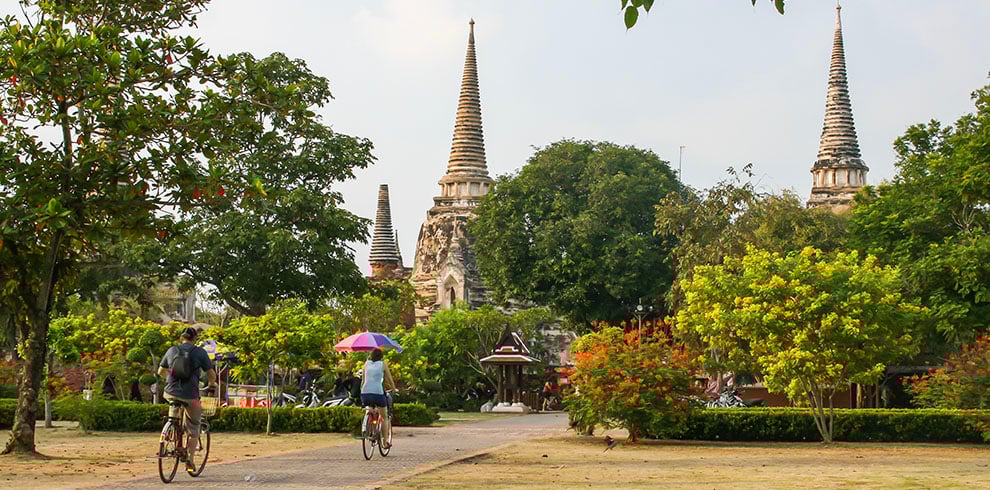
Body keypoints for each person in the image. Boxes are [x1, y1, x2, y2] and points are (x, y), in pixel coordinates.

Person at [157, 327, 218, 474]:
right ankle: (189, 460)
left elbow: (160, 371)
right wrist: (212, 384)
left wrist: (171, 375)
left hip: (170, 392)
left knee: (174, 407)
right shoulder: (199, 352)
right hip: (190, 395)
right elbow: (211, 374)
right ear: (195, 339)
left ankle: (171, 428)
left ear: (181, 337)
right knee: (194, 427)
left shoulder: (172, 350)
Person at [360, 348, 396, 447]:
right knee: (384, 417)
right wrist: (394, 389)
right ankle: (385, 442)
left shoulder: (366, 364)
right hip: (377, 393)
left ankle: (368, 426)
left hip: (365, 393)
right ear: (381, 356)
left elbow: (363, 380)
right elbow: (389, 379)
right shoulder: (383, 364)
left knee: (369, 408)